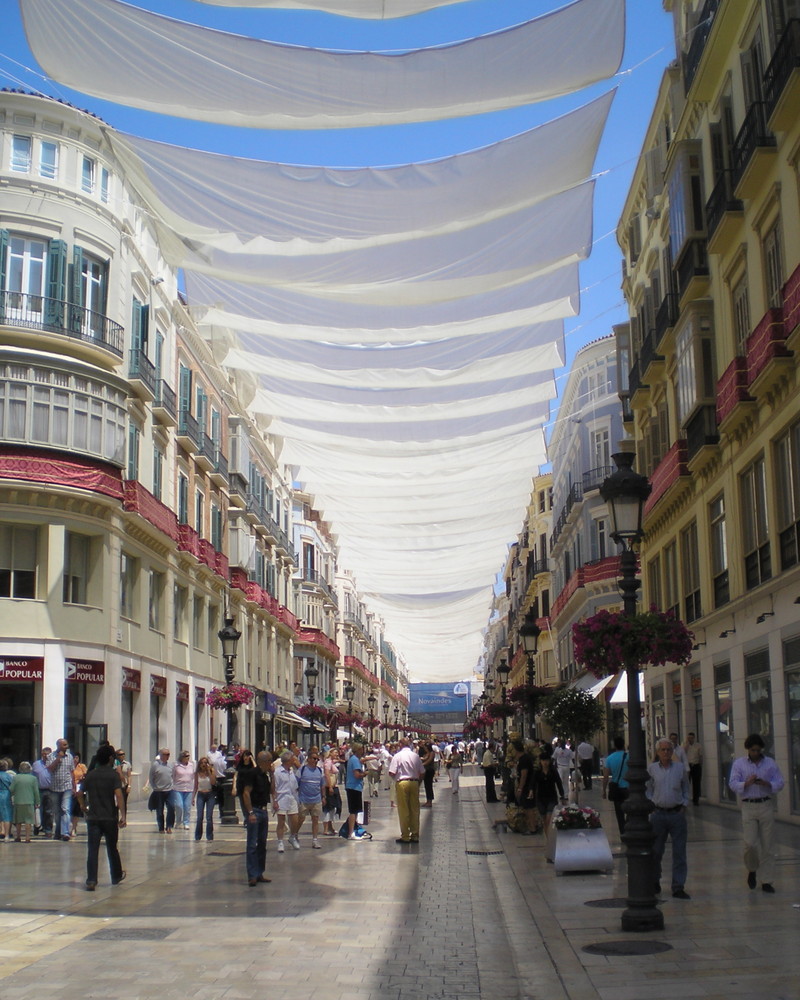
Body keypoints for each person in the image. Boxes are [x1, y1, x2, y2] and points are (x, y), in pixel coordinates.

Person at [728, 733, 785, 893]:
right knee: (750, 843)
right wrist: (746, 783)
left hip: (765, 804)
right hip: (749, 805)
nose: (756, 753)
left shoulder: (770, 763)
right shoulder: (740, 764)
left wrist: (768, 784)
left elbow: (780, 782)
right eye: (753, 750)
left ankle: (767, 880)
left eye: (758, 750)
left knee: (768, 845)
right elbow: (733, 783)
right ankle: (752, 869)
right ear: (748, 749)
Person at [77, 744, 126, 891]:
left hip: (93, 818)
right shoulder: (113, 775)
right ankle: (116, 875)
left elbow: (80, 793)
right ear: (110, 758)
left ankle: (91, 880)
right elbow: (118, 795)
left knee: (93, 849)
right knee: (112, 848)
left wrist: (83, 806)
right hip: (109, 817)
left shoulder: (91, 774)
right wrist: (123, 815)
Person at [646, 737, 690, 899]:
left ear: (672, 752)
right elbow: (648, 789)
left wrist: (684, 805)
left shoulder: (679, 768)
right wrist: (652, 805)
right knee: (656, 851)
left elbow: (686, 787)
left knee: (679, 852)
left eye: (668, 750)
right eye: (663, 750)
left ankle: (678, 886)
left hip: (676, 814)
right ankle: (654, 880)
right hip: (658, 814)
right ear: (657, 752)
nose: (666, 752)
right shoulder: (652, 769)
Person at [240, 750, 272, 887]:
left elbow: (271, 792)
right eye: (269, 761)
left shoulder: (265, 776)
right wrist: (250, 813)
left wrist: (273, 776)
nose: (271, 764)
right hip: (255, 810)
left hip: (264, 811)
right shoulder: (252, 774)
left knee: (262, 844)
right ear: (263, 762)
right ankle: (252, 875)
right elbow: (246, 793)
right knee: (252, 844)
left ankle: (259, 872)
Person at [388, 737, 425, 844]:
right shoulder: (415, 756)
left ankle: (405, 836)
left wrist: (395, 779)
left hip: (402, 783)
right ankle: (415, 835)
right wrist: (418, 782)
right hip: (414, 782)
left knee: (403, 810)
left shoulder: (397, 756)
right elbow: (422, 772)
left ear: (400, 744)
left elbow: (391, 772)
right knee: (414, 809)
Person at [531, 748, 566, 836]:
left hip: (551, 798)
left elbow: (559, 783)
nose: (545, 762)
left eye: (546, 760)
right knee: (544, 821)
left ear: (549, 761)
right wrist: (531, 791)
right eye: (543, 760)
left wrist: (562, 796)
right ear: (540, 761)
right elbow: (533, 783)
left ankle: (550, 837)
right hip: (540, 798)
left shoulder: (553, 772)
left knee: (549, 819)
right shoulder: (537, 772)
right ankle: (548, 839)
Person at [296, 748, 325, 848]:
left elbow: (322, 785)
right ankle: (295, 834)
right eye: (313, 758)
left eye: (317, 759)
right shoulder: (302, 770)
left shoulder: (319, 771)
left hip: (316, 799)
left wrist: (323, 796)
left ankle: (315, 839)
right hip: (304, 799)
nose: (315, 761)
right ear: (308, 759)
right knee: (301, 819)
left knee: (315, 819)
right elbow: (296, 783)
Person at [272, 749, 301, 852]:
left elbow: (294, 785)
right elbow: (274, 788)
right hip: (281, 798)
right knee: (281, 821)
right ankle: (280, 841)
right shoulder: (277, 772)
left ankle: (292, 836)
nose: (294, 762)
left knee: (295, 819)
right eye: (292, 760)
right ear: (287, 761)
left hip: (292, 797)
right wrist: (274, 801)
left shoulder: (292, 771)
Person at [47, 738, 74, 841]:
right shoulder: (51, 756)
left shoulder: (70, 757)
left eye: (66, 745)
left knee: (65, 809)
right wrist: (58, 759)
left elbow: (71, 771)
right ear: (58, 745)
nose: (66, 747)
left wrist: (74, 786)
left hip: (66, 786)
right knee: (57, 812)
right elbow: (50, 769)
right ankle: (58, 832)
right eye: (64, 745)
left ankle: (65, 833)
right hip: (54, 787)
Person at [602, 736, 629, 835]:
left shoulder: (609, 759)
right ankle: (629, 828)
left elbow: (605, 777)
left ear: (614, 746)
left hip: (616, 789)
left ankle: (623, 832)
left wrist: (604, 790)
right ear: (624, 745)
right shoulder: (629, 756)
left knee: (619, 812)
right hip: (628, 787)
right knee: (631, 811)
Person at [10, 761, 40, 843]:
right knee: (28, 821)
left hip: (18, 801)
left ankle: (18, 836)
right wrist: (37, 801)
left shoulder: (16, 778)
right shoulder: (33, 778)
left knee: (18, 821)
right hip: (29, 801)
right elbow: (36, 791)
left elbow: (11, 789)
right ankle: (27, 837)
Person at [149, 748, 175, 833]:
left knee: (171, 808)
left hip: (169, 790)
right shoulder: (155, 765)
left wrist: (173, 786)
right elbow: (151, 777)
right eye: (165, 754)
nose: (167, 756)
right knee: (159, 811)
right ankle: (161, 827)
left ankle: (169, 826)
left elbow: (173, 776)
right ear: (160, 755)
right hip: (159, 791)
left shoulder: (171, 765)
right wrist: (154, 787)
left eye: (168, 754)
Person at [344, 742, 366, 840]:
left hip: (352, 787)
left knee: (355, 810)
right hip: (354, 787)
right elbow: (357, 774)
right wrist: (364, 774)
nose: (363, 751)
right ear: (358, 750)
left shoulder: (352, 759)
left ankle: (353, 830)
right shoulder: (355, 760)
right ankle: (350, 832)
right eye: (362, 749)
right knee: (354, 811)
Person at [193, 756, 217, 841]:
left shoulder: (211, 771)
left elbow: (213, 782)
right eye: (202, 763)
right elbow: (195, 786)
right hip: (200, 794)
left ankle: (209, 836)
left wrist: (209, 771)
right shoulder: (197, 773)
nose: (203, 764)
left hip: (210, 794)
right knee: (200, 817)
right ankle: (197, 836)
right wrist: (193, 797)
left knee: (209, 817)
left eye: (205, 763)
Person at [31, 747, 53, 836]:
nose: (46, 756)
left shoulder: (54, 764)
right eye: (44, 754)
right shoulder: (36, 764)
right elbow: (33, 777)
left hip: (50, 790)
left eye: (47, 754)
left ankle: (48, 829)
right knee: (37, 810)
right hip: (38, 790)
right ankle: (37, 827)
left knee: (49, 811)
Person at [172, 751, 195, 830]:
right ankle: (178, 822)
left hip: (189, 788)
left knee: (187, 806)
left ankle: (186, 822)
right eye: (186, 756)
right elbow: (173, 776)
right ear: (181, 757)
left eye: (188, 756)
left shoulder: (191, 765)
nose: (188, 757)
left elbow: (193, 776)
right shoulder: (176, 765)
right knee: (179, 805)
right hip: (178, 788)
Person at [232, 748, 257, 822]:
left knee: (251, 804)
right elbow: (235, 776)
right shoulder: (240, 766)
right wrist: (234, 787)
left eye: (247, 756)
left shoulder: (252, 766)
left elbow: (256, 770)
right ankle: (246, 818)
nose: (246, 758)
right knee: (243, 804)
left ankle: (250, 816)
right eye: (244, 756)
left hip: (251, 788)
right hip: (241, 787)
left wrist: (252, 760)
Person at [321, 747, 341, 836]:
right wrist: (330, 787)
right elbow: (327, 774)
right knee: (328, 807)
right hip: (330, 787)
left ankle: (330, 826)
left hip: (333, 786)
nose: (337, 754)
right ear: (330, 753)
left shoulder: (331, 762)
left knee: (332, 807)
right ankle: (326, 828)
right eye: (335, 753)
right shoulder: (328, 762)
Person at [207, 743, 227, 821]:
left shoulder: (216, 761)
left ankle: (221, 812)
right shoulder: (225, 762)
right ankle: (224, 811)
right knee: (224, 797)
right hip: (224, 779)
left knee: (219, 797)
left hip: (217, 779)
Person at [70, 752, 87, 838]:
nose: (75, 759)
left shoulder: (82, 766)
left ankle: (73, 828)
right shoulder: (69, 767)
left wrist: (82, 778)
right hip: (69, 789)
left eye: (77, 758)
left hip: (79, 789)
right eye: (74, 758)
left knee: (76, 810)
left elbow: (86, 775)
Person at [683, 732, 703, 805]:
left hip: (696, 765)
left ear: (694, 738)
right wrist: (686, 745)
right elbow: (683, 753)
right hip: (687, 766)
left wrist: (700, 765)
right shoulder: (684, 745)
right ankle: (685, 799)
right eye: (689, 738)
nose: (690, 739)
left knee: (696, 783)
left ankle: (696, 800)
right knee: (686, 783)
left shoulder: (698, 746)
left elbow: (700, 756)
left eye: (691, 738)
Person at [419, 741, 435, 807]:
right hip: (425, 770)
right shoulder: (426, 753)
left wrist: (421, 764)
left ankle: (429, 801)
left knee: (428, 785)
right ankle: (428, 800)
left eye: (425, 747)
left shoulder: (431, 753)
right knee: (426, 785)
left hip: (429, 770)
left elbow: (429, 761)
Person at [0, 759, 13, 841]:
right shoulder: (8, 776)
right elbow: (13, 786)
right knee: (7, 816)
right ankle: (7, 835)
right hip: (6, 795)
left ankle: (1, 831)